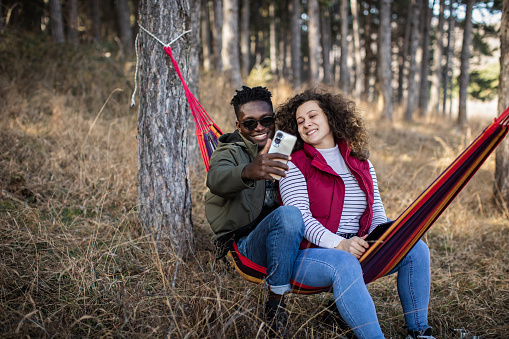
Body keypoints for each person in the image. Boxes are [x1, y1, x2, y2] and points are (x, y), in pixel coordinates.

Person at [276, 88, 435, 339]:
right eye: (300, 121)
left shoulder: (361, 162)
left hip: (356, 247)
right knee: (345, 262)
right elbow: (301, 220)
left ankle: (419, 332)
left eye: (313, 116)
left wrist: (382, 237)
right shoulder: (293, 164)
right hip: (307, 254)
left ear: (330, 117)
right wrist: (340, 244)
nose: (307, 124)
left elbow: (377, 214)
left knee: (415, 247)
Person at [205, 86, 305, 336]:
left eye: (266, 120)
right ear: (239, 126)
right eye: (250, 124)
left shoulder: (286, 144)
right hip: (246, 243)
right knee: (289, 215)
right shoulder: (229, 151)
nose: (260, 128)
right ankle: (275, 307)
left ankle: (338, 305)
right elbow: (216, 179)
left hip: (289, 239)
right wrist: (249, 171)